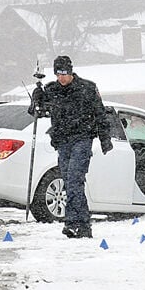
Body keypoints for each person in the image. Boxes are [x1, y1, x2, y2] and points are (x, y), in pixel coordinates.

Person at [29, 55, 113, 239]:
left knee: (75, 178)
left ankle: (72, 222)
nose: (62, 78)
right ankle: (83, 226)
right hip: (62, 140)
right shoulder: (51, 90)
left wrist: (105, 138)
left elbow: (100, 113)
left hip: (82, 138)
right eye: (58, 74)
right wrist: (36, 98)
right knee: (69, 182)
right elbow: (36, 111)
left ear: (71, 71)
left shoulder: (87, 88)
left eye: (64, 73)